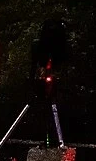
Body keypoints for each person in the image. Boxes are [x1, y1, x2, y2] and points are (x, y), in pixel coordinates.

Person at [30, 16, 71, 147]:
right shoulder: (39, 47)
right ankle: (45, 140)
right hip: (42, 90)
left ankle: (54, 141)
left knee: (55, 113)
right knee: (43, 113)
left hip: (55, 90)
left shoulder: (61, 51)